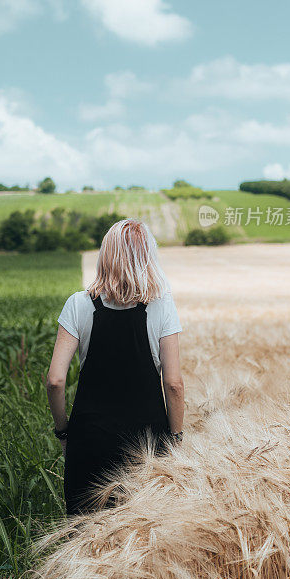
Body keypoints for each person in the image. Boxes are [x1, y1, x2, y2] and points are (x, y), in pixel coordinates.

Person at [46, 218, 185, 517]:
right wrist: (176, 441)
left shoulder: (78, 304)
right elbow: (173, 384)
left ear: (105, 254)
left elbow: (55, 381)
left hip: (89, 441)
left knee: (83, 541)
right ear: (148, 257)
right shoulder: (162, 305)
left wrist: (63, 432)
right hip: (147, 446)